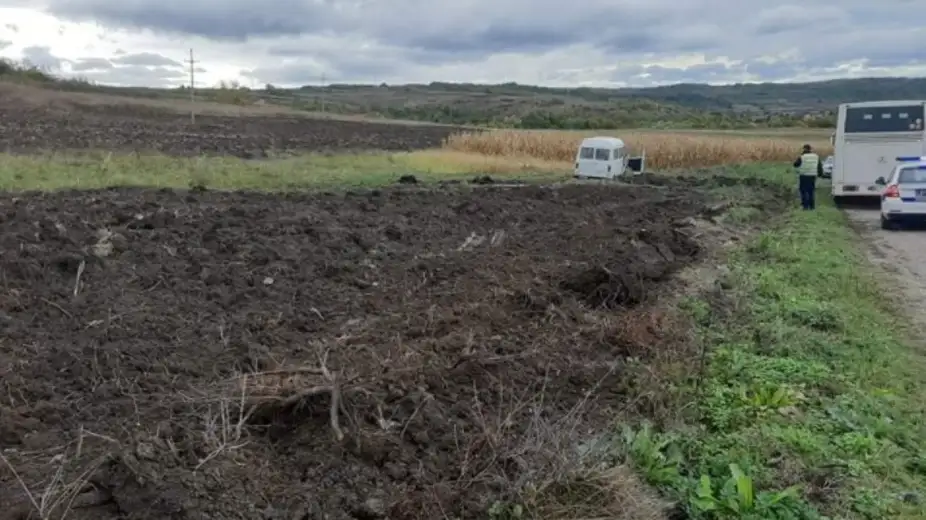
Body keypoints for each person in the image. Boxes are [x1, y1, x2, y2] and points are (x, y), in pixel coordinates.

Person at [793, 144, 824, 210]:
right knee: (811, 191)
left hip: (804, 176)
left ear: (804, 149)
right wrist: (820, 174)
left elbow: (795, 164)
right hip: (812, 176)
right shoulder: (816, 156)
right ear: (810, 149)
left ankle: (805, 206)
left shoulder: (802, 156)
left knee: (803, 191)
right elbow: (819, 166)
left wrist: (798, 159)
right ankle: (812, 207)